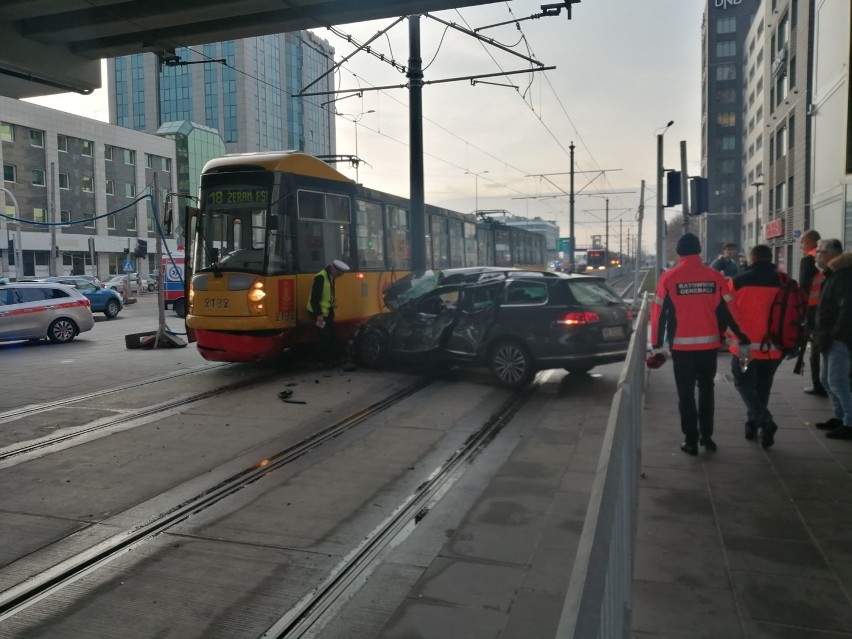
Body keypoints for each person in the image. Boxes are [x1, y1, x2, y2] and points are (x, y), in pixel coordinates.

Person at [651, 233, 748, 455]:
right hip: (709, 346)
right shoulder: (715, 277)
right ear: (699, 252)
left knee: (685, 394)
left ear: (679, 253)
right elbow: (729, 311)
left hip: (682, 349)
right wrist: (740, 335)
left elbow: (658, 313)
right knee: (707, 390)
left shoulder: (669, 277)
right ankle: (707, 437)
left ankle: (691, 441)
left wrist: (657, 343)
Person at [726, 245, 785, 449]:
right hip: (774, 348)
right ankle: (753, 426)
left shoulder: (738, 282)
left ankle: (765, 422)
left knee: (743, 382)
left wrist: (726, 335)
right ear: (770, 259)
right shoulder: (785, 282)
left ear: (751, 259)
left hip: (745, 348)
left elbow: (728, 311)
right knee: (762, 387)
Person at [812, 240, 852, 439]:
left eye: (819, 252)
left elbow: (847, 308)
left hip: (838, 339)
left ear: (830, 254)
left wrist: (838, 335)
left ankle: (849, 422)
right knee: (826, 380)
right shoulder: (833, 275)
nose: (816, 255)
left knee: (837, 381)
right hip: (829, 337)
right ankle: (839, 416)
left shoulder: (843, 276)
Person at [306, 259, 350, 367]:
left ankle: (330, 359)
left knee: (332, 335)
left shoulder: (331, 277)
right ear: (334, 269)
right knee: (324, 337)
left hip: (327, 312)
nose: (340, 276)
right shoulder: (321, 277)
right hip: (318, 312)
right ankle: (321, 361)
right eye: (339, 273)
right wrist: (318, 315)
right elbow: (314, 299)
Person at [798, 229, 826, 396]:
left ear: (809, 242)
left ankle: (818, 385)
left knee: (815, 351)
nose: (801, 246)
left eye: (802, 242)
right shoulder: (828, 259)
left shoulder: (808, 260)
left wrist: (801, 313)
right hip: (829, 309)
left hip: (813, 310)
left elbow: (803, 288)